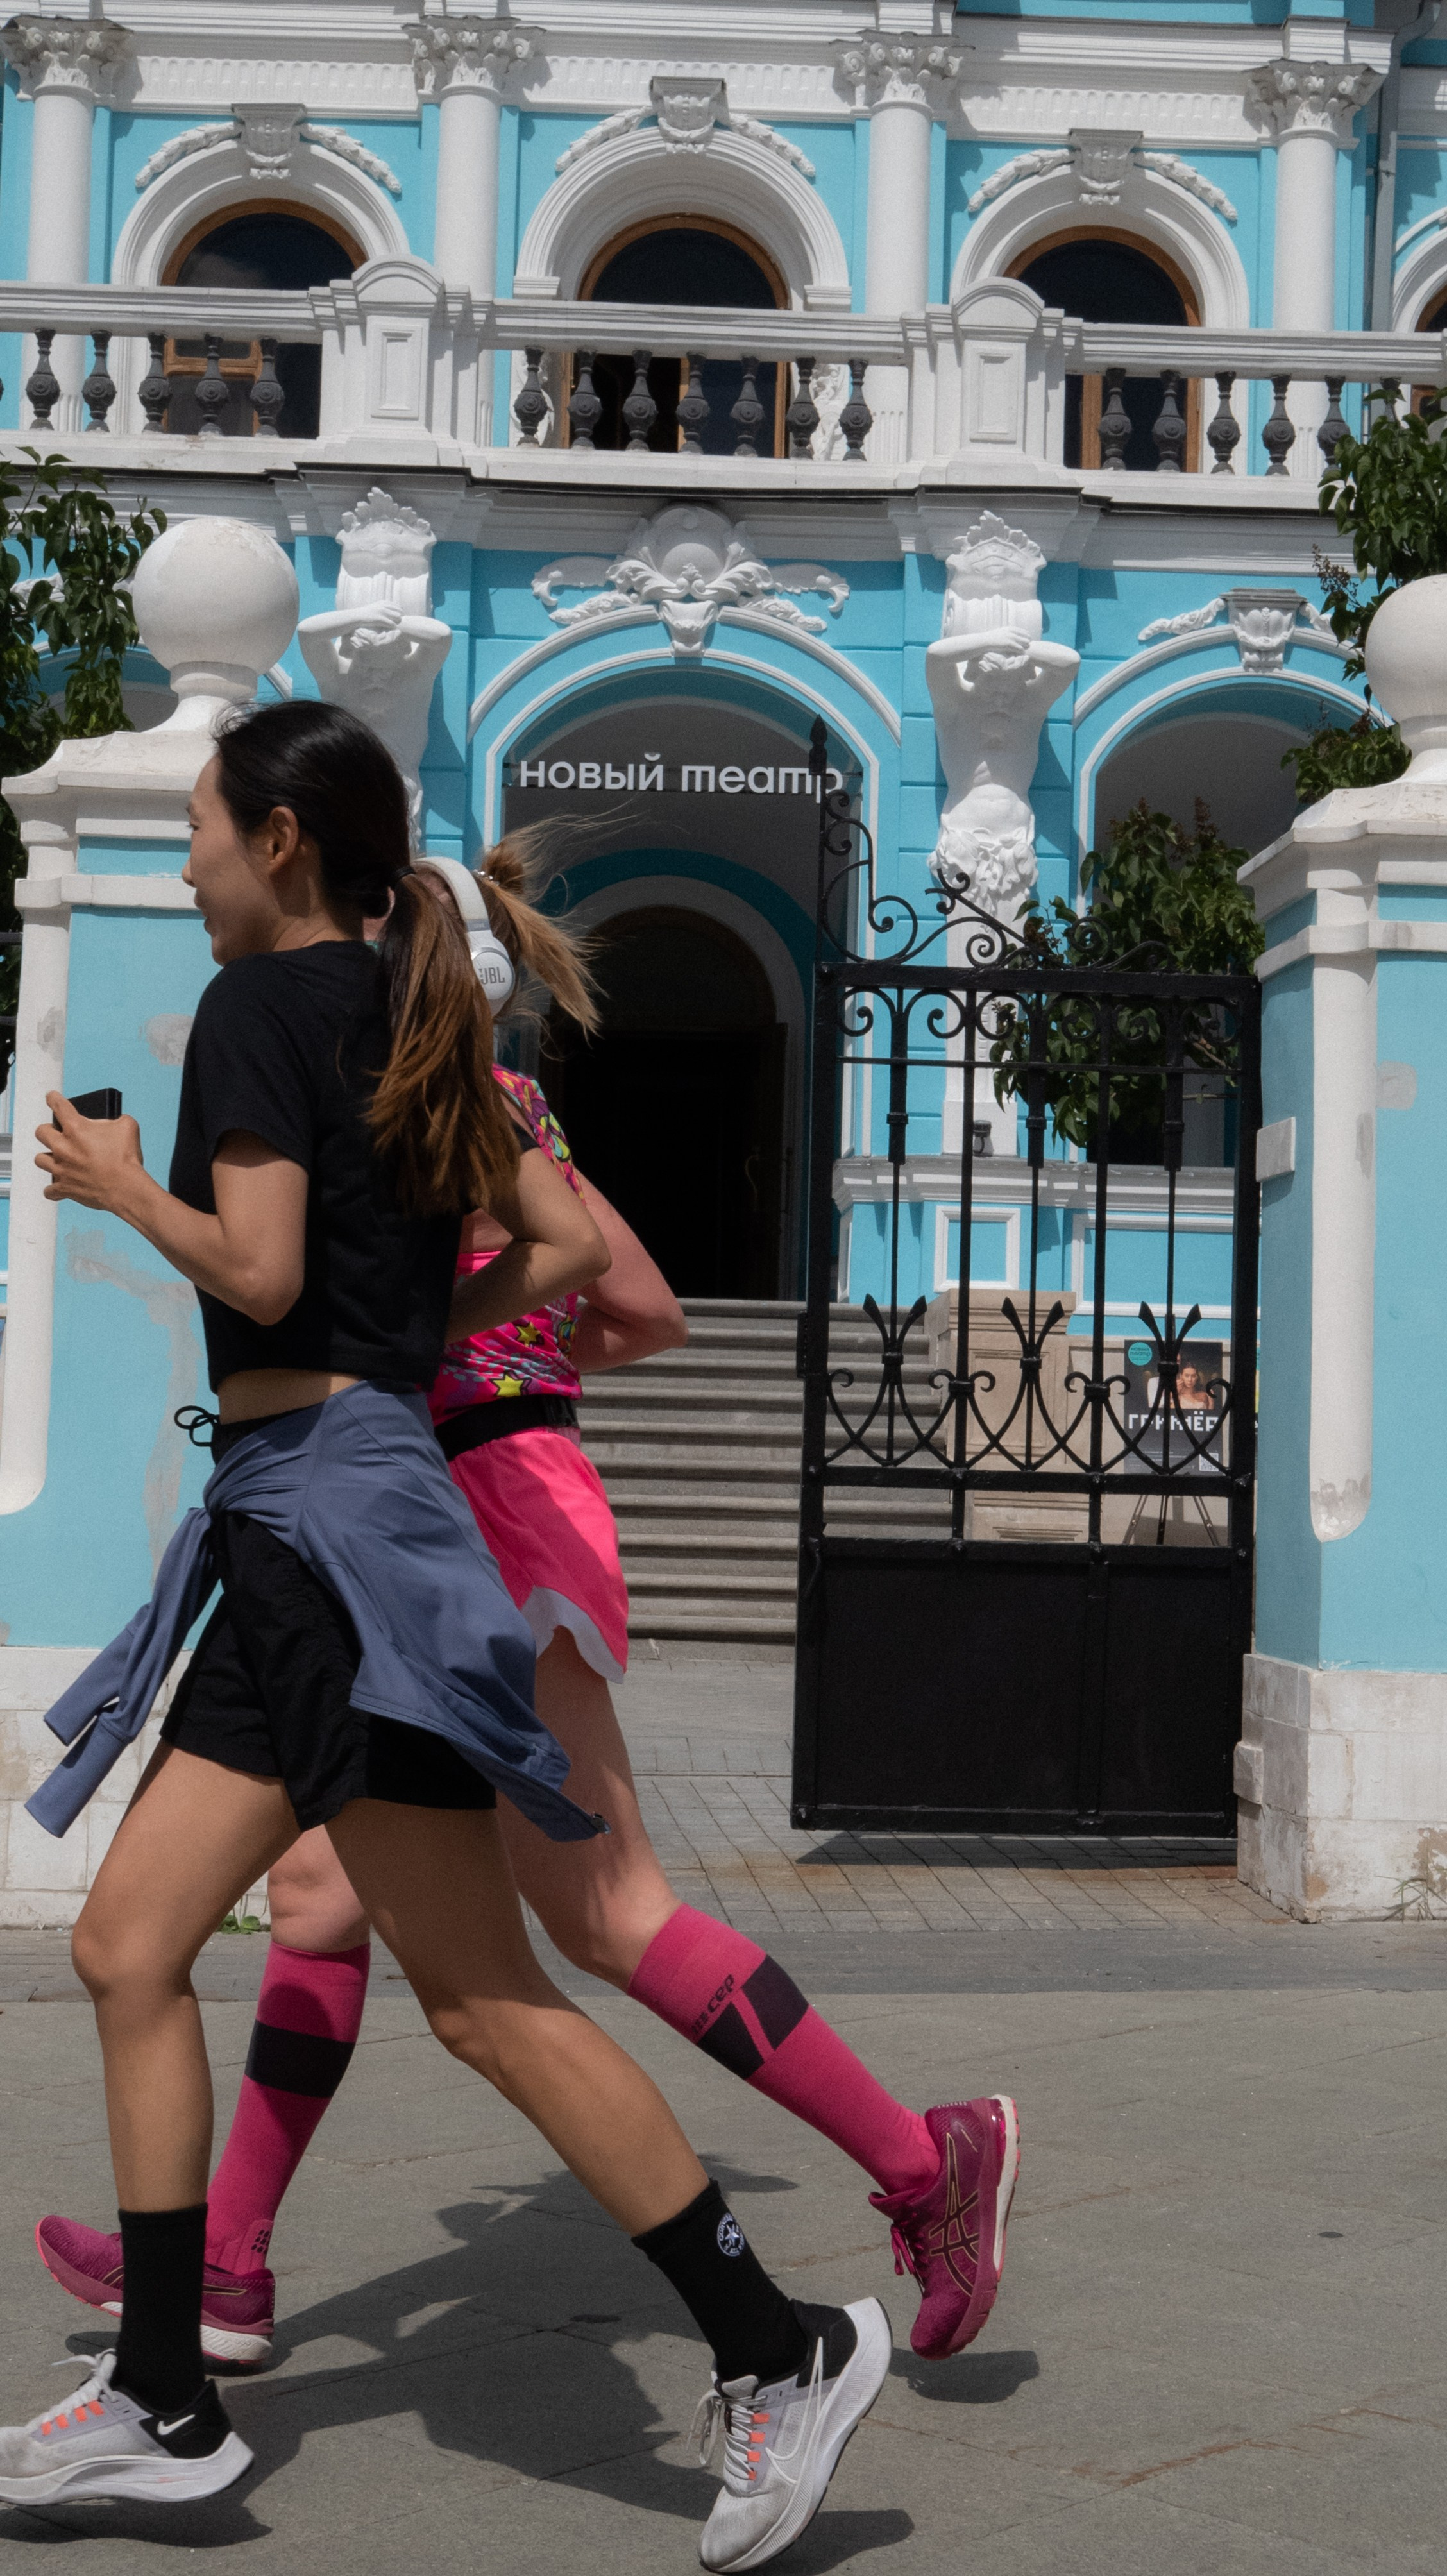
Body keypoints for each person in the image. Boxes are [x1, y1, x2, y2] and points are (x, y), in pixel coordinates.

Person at [0, 702, 892, 2573]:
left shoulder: (262, 1010)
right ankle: (165, 2394)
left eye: (201, 832)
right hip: (319, 1515)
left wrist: (109, 1185)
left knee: (488, 2001)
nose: (186, 860)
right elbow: (567, 1249)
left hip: (332, 1533)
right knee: (129, 1939)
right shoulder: (422, 1024)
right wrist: (415, 1323)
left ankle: (780, 2347)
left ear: (284, 847)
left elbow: (250, 1271)